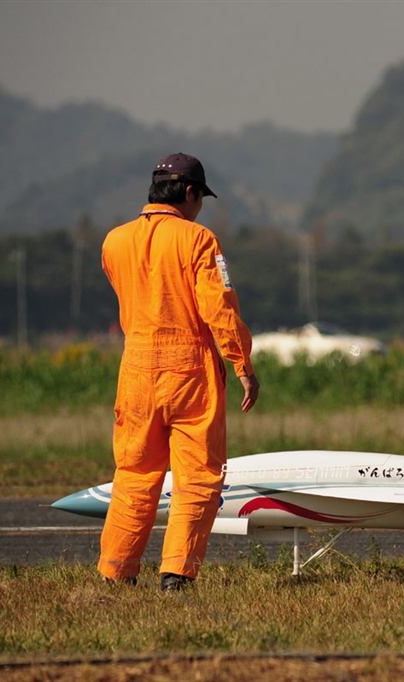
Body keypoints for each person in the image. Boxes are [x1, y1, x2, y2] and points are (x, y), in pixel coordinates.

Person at [98, 153, 259, 591]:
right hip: (189, 373)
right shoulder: (199, 239)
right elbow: (218, 307)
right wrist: (242, 364)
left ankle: (116, 572)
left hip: (135, 372)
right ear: (190, 193)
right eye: (200, 199)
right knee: (197, 478)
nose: (200, 208)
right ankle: (177, 574)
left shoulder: (114, 241)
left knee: (134, 475)